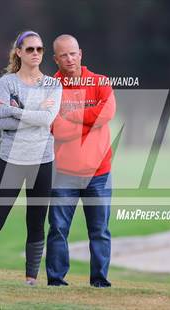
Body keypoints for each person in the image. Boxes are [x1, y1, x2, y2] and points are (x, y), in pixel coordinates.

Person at [0, 30, 61, 285]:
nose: (35, 54)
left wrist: (15, 110)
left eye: (39, 49)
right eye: (30, 49)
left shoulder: (52, 85)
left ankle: (31, 279)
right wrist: (29, 114)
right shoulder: (7, 82)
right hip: (11, 160)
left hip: (42, 161)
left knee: (36, 221)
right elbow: (1, 122)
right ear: (19, 52)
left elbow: (47, 119)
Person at [46, 34, 116, 288]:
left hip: (99, 172)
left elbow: (105, 113)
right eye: (63, 55)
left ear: (81, 53)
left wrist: (72, 115)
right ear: (55, 59)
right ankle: (55, 280)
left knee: (99, 231)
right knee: (58, 229)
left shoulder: (100, 82)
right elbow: (57, 129)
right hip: (63, 173)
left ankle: (99, 281)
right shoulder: (49, 87)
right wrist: (88, 120)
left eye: (73, 53)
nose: (69, 58)